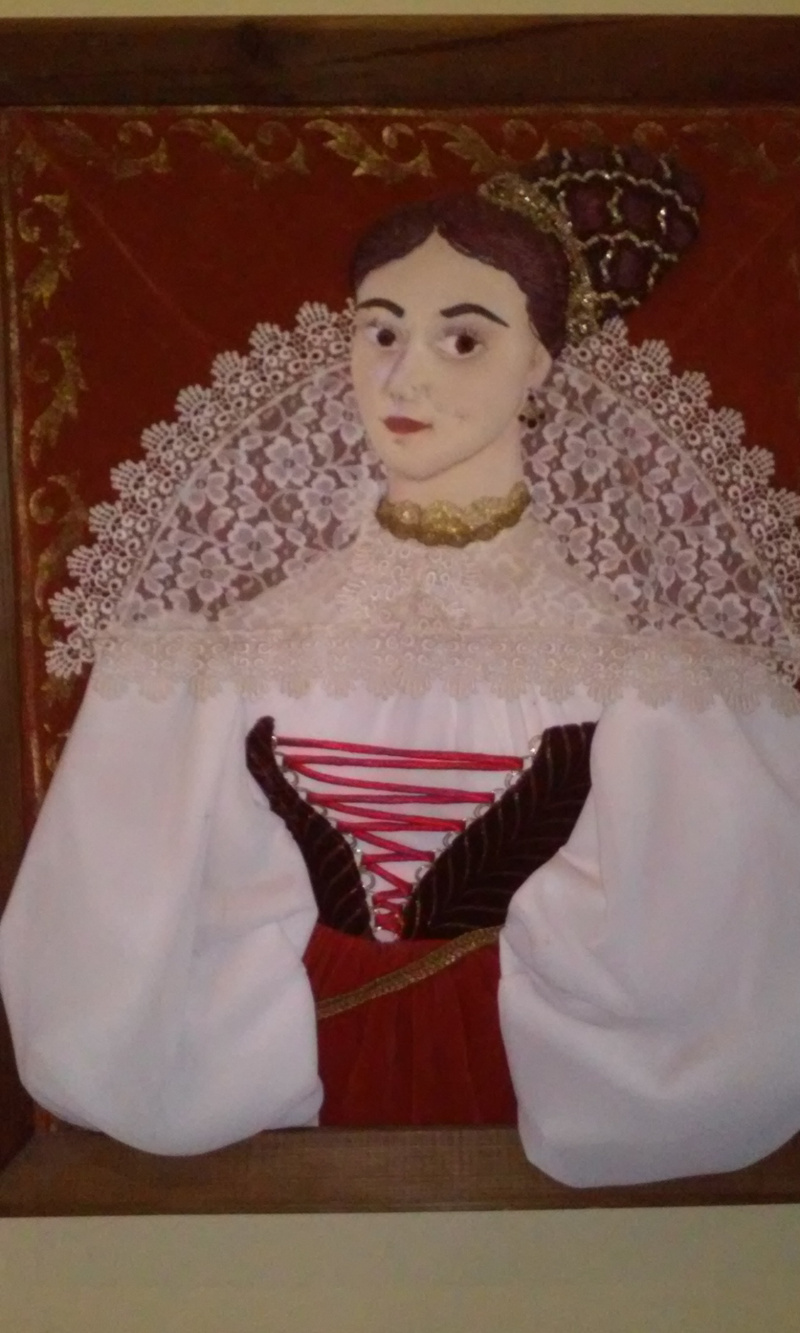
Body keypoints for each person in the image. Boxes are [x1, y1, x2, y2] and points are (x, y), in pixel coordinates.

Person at [3, 146, 800, 1187]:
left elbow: (723, 981)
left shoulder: (640, 672)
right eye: (378, 330)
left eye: (463, 338)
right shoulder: (233, 656)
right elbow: (109, 956)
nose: (402, 377)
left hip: (533, 1134)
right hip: (285, 1135)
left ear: (541, 363)